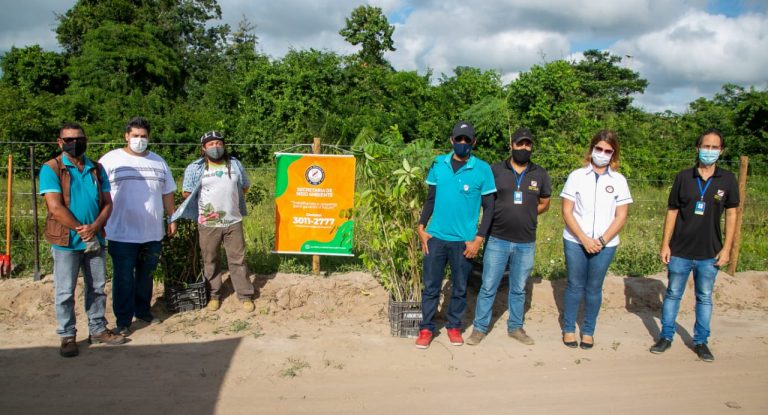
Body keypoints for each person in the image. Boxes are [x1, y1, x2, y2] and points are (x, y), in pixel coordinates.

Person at [651, 129, 739, 362]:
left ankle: (701, 342)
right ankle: (666, 336)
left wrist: (727, 248)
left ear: (721, 151)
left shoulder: (728, 179)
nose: (709, 151)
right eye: (705, 146)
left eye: (714, 147)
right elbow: (672, 211)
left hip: (710, 252)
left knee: (705, 297)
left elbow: (731, 214)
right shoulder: (683, 177)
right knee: (672, 294)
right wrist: (665, 244)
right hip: (680, 250)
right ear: (697, 148)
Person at [39, 123, 126, 357]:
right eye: (69, 139)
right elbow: (55, 208)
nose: (74, 143)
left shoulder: (96, 168)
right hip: (66, 241)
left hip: (95, 238)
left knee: (97, 287)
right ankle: (67, 335)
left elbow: (108, 202)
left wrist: (95, 227)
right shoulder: (52, 169)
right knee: (65, 291)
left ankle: (97, 329)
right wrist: (81, 229)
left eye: (79, 138)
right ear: (60, 142)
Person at [466, 127, 551, 346]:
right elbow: (486, 200)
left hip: (526, 242)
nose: (524, 148)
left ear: (531, 147)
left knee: (519, 288)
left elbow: (544, 203)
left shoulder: (539, 173)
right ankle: (479, 328)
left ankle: (515, 327)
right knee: (488, 286)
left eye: (528, 144)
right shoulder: (495, 170)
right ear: (511, 145)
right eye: (520, 144)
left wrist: (528, 212)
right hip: (497, 239)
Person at [415, 121, 496, 349]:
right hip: (436, 238)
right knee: (431, 286)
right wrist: (421, 227)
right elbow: (430, 198)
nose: (462, 143)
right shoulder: (438, 164)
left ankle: (453, 326)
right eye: (458, 139)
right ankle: (426, 328)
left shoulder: (482, 169)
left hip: (464, 242)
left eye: (466, 140)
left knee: (460, 287)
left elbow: (489, 207)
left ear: (473, 143)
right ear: (452, 140)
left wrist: (478, 239)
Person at [99, 117, 177, 336]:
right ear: (126, 136)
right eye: (135, 136)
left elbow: (167, 192)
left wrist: (172, 217)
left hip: (152, 232)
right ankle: (123, 320)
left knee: (146, 275)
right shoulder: (111, 160)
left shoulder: (159, 162)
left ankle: (143, 311)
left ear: (149, 137)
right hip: (121, 232)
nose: (139, 140)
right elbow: (99, 192)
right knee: (123, 277)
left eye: (143, 136)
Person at [560, 130, 632, 349]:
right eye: (599, 149)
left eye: (607, 151)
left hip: (606, 244)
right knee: (574, 285)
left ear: (613, 154)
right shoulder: (576, 176)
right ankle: (569, 329)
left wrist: (601, 240)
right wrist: (583, 238)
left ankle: (589, 331)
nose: (602, 153)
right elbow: (567, 211)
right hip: (575, 241)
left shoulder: (619, 181)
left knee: (594, 288)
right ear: (592, 149)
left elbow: (621, 215)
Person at [172, 131, 254, 312]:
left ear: (224, 145)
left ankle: (245, 295)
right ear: (203, 148)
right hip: (208, 224)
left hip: (233, 221)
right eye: (210, 144)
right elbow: (186, 192)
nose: (215, 147)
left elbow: (245, 186)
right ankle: (214, 295)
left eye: (218, 143)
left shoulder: (235, 164)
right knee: (210, 260)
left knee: (238, 260)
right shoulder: (195, 168)